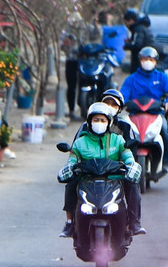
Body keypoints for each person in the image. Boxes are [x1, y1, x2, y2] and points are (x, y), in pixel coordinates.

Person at [58, 102, 141, 240]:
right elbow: (72, 161)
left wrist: (131, 167)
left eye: (103, 120)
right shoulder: (80, 143)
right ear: (89, 122)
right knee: (71, 184)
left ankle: (133, 222)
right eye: (96, 120)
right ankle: (70, 223)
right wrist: (69, 169)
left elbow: (128, 157)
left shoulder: (118, 140)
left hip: (113, 180)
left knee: (132, 185)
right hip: (87, 181)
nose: (99, 123)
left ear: (109, 122)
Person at [120, 47, 168, 177]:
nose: (147, 62)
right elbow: (123, 95)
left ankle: (165, 163)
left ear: (156, 61)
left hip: (156, 115)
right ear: (140, 60)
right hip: (134, 115)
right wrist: (120, 103)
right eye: (145, 59)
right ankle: (120, 164)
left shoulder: (162, 77)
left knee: (166, 133)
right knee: (120, 135)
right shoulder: (132, 79)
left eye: (150, 59)